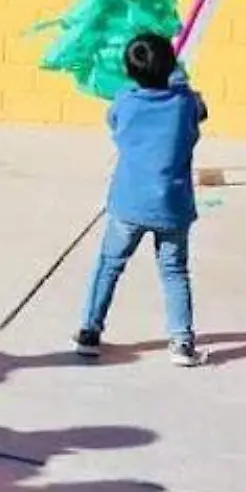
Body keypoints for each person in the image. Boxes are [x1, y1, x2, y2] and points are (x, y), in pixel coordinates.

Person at [75, 33, 210, 367]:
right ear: (171, 66)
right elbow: (201, 109)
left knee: (109, 265)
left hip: (129, 205)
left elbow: (113, 118)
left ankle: (90, 332)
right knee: (175, 271)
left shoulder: (126, 102)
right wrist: (180, 80)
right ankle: (181, 341)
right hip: (173, 207)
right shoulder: (186, 104)